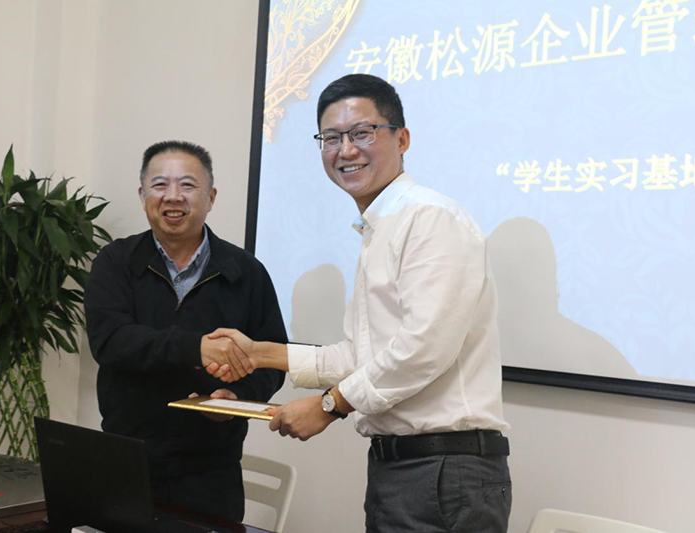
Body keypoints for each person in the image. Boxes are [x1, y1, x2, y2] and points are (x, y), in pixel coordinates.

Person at [209, 74, 512, 532]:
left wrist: (329, 405)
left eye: (362, 133)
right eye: (331, 138)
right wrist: (260, 354)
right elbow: (360, 357)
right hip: (402, 468)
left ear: (401, 139)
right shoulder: (379, 229)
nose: (346, 150)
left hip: (446, 471)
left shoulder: (430, 219)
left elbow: (423, 348)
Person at [84, 140, 286, 522]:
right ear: (143, 196)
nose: (173, 196)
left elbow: (271, 357)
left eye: (187, 185)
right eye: (160, 185)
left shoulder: (246, 271)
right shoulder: (115, 262)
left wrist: (236, 398)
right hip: (128, 461)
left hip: (212, 473)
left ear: (211, 197)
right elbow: (110, 340)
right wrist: (196, 348)